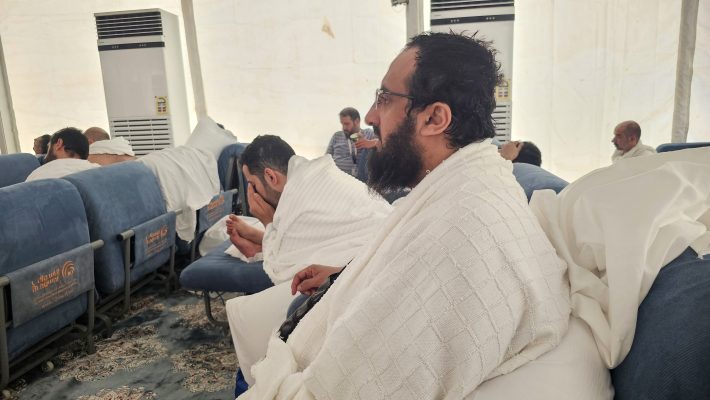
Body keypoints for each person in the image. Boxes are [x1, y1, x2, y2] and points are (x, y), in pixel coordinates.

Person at [239, 32, 572, 399]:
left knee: (249, 373)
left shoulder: (459, 232)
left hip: (302, 369)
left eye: (384, 99)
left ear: (434, 118)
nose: (370, 116)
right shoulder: (466, 182)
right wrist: (345, 273)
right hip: (319, 311)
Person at [222, 134, 392, 385]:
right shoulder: (313, 175)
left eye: (252, 184)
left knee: (245, 317)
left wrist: (267, 221)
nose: (251, 193)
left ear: (271, 177)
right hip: (379, 244)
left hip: (370, 260)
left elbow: (280, 271)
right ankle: (261, 240)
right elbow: (315, 235)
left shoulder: (300, 199)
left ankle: (260, 241)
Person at [26, 128, 99, 181]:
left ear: (59, 143)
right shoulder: (98, 169)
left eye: (49, 146)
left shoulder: (39, 175)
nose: (45, 156)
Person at [325, 107, 379, 176]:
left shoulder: (368, 133)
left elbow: (384, 143)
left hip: (360, 179)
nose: (344, 128)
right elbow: (325, 160)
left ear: (357, 121)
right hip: (336, 178)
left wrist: (371, 143)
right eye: (342, 124)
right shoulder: (337, 136)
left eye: (347, 124)